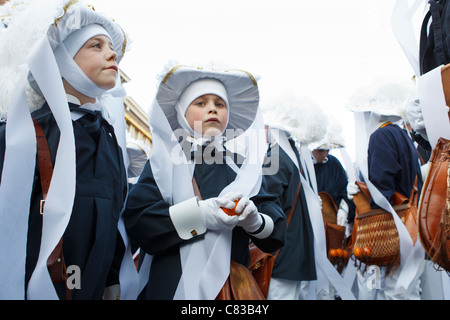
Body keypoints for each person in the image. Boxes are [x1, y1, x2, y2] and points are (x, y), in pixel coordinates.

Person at [0, 0, 130, 299]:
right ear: (61, 60)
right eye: (95, 46)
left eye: (110, 46)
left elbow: (113, 217)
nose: (112, 54)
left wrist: (111, 279)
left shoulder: (108, 138)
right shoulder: (23, 135)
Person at [123, 62, 286, 300]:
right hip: (170, 284)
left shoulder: (243, 167)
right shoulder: (163, 163)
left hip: (228, 288)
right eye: (201, 103)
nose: (213, 109)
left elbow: (276, 231)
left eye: (220, 104)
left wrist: (255, 220)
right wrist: (200, 215)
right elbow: (140, 220)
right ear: (181, 112)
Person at [347, 80, 425, 300]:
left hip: (390, 228)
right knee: (402, 291)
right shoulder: (402, 135)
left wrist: (363, 196)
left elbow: (383, 187)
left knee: (389, 292)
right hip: (408, 223)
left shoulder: (382, 136)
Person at [261, 96, 318, 300]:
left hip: (282, 254)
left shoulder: (276, 156)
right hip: (298, 252)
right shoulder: (297, 155)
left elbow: (268, 201)